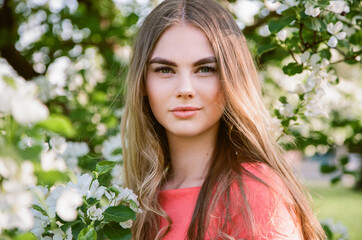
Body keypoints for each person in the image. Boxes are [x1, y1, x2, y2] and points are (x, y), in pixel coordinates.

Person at [121, 0, 326, 239]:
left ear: (231, 78)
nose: (185, 89)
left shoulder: (254, 192)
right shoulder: (137, 201)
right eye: (165, 70)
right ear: (142, 83)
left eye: (205, 69)